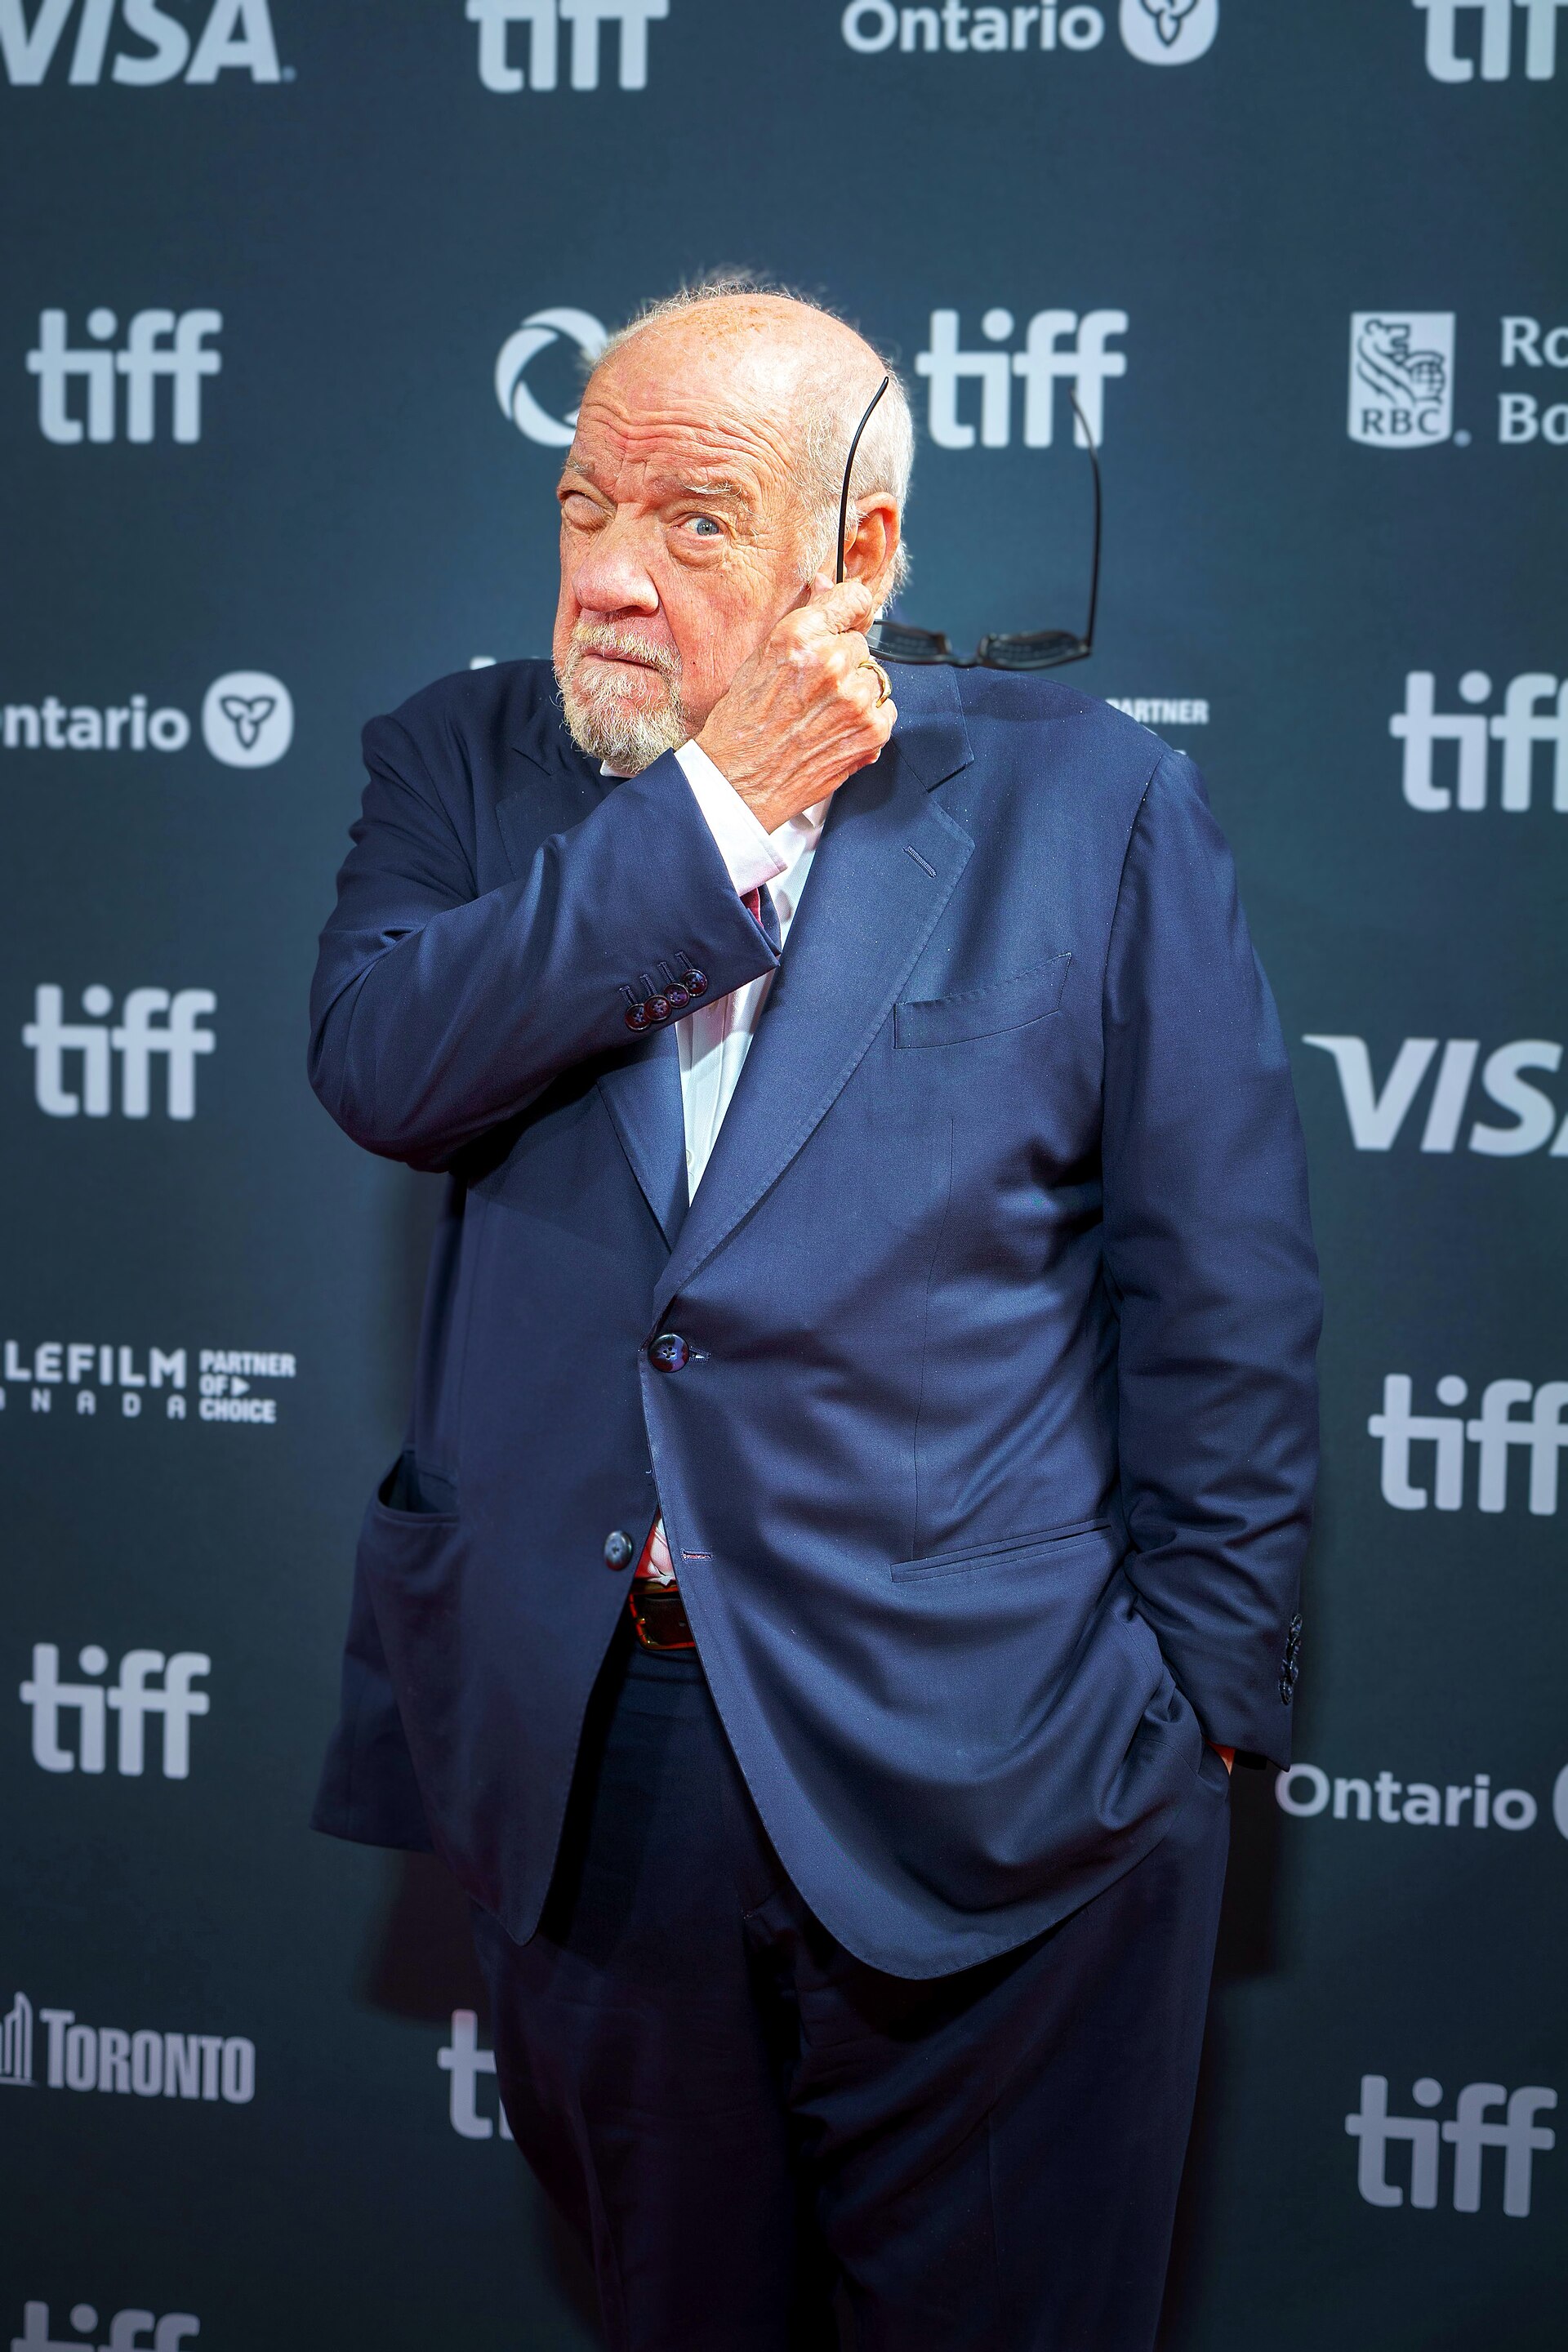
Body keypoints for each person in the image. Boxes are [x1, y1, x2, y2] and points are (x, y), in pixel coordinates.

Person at [309, 283, 1320, 2352]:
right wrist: (712, 817)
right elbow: (388, 1068)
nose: (607, 576)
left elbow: (1217, 1285)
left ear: (852, 555)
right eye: (585, 507)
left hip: (1004, 1771)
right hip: (597, 1765)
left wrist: (1191, 1718)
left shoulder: (1085, 802)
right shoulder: (460, 764)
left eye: (691, 525)